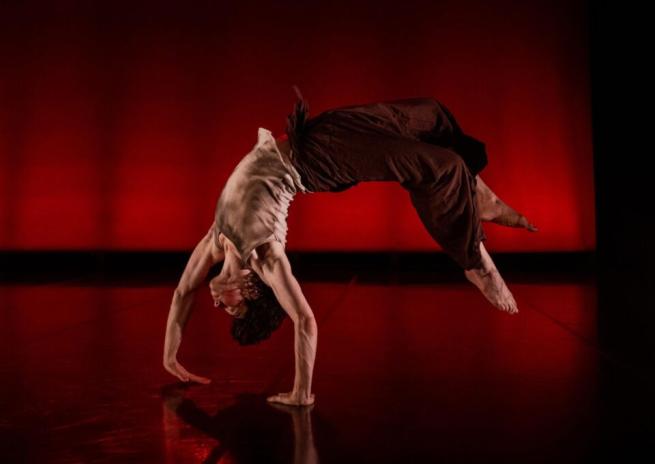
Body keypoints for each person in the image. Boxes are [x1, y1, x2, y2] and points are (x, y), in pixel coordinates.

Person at [163, 87, 538, 406]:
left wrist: (170, 356)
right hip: (322, 163)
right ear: (249, 291)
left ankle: (481, 197)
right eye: (230, 310)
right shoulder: (266, 257)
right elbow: (305, 321)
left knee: (430, 116)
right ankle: (474, 262)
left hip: (313, 135)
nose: (215, 304)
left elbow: (183, 293)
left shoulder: (215, 242)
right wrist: (301, 392)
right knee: (440, 167)